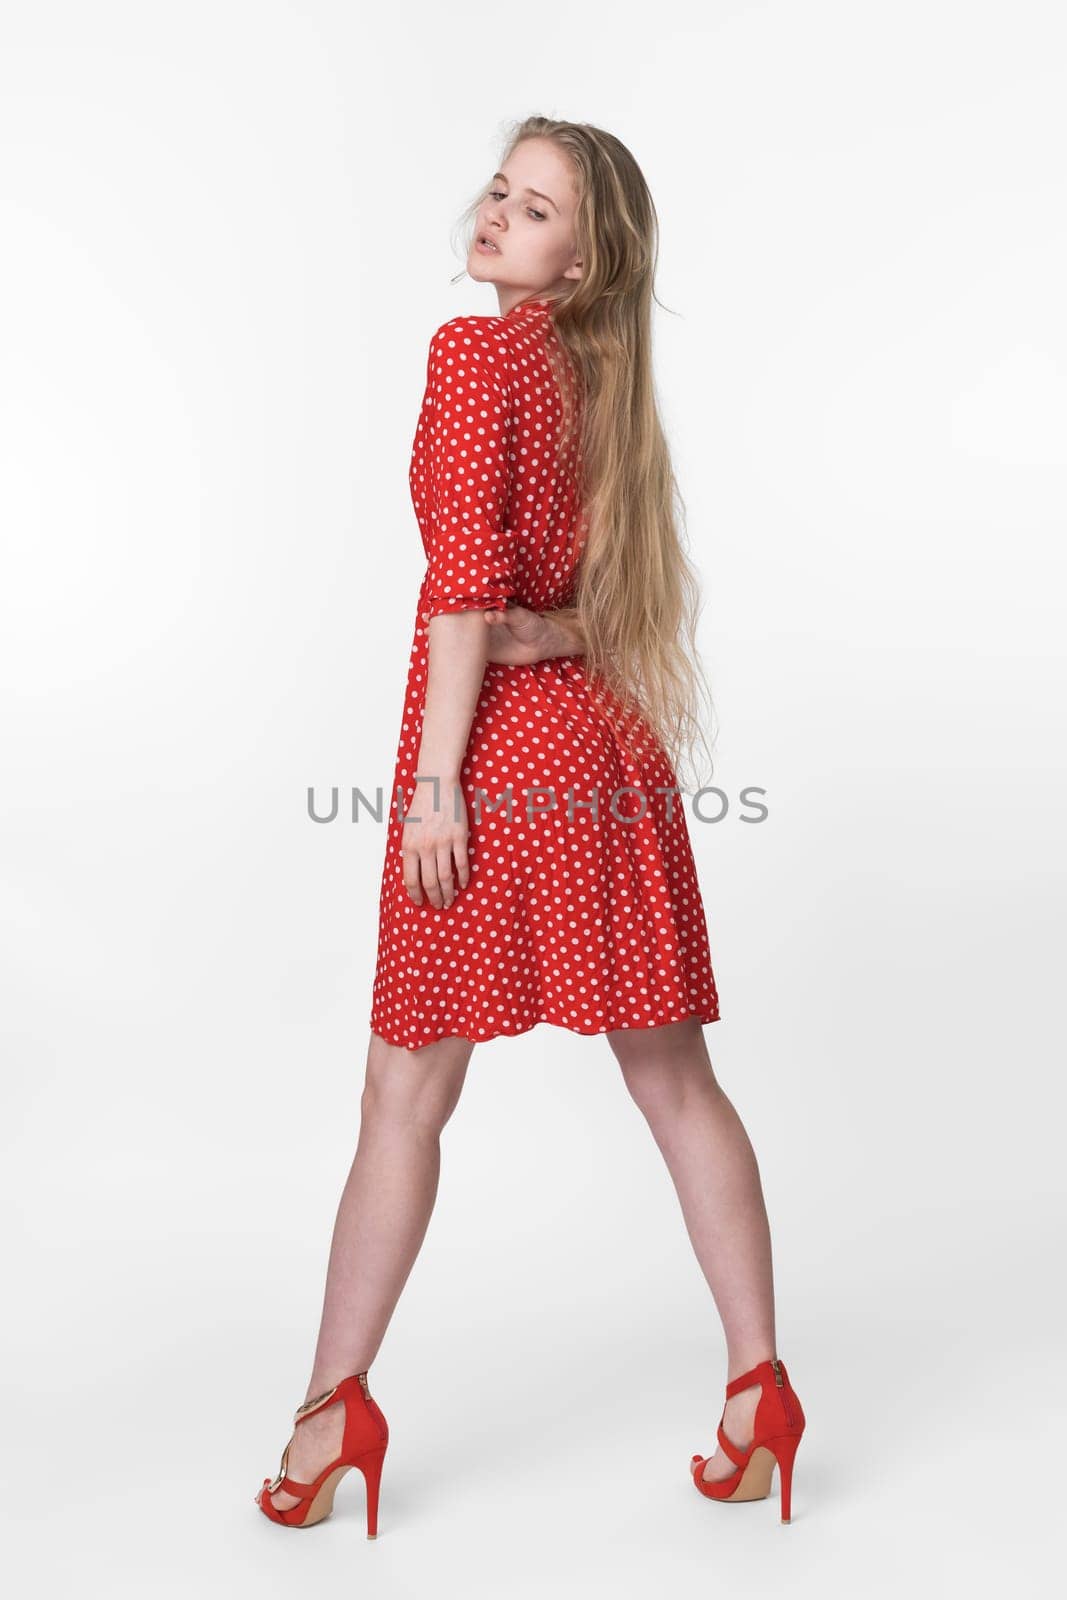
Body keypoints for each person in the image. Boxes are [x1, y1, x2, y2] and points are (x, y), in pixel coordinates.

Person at [255, 117, 806, 1536]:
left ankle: (332, 1413)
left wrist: (436, 783)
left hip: (494, 761)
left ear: (584, 260)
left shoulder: (477, 355)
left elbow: (461, 594)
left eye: (538, 207)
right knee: (676, 1081)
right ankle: (762, 1386)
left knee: (403, 1099)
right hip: (607, 750)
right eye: (501, 188)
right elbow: (573, 609)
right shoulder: (604, 386)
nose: (499, 213)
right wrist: (530, 637)